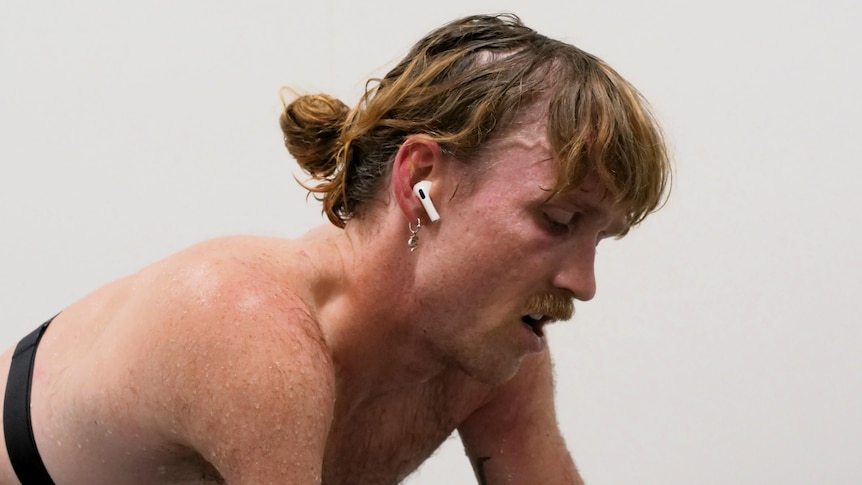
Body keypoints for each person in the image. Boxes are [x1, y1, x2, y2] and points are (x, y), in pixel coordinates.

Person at [0, 13, 669, 485]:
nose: (584, 283)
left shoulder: (489, 353)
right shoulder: (251, 329)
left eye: (600, 239)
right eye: (556, 219)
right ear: (421, 181)